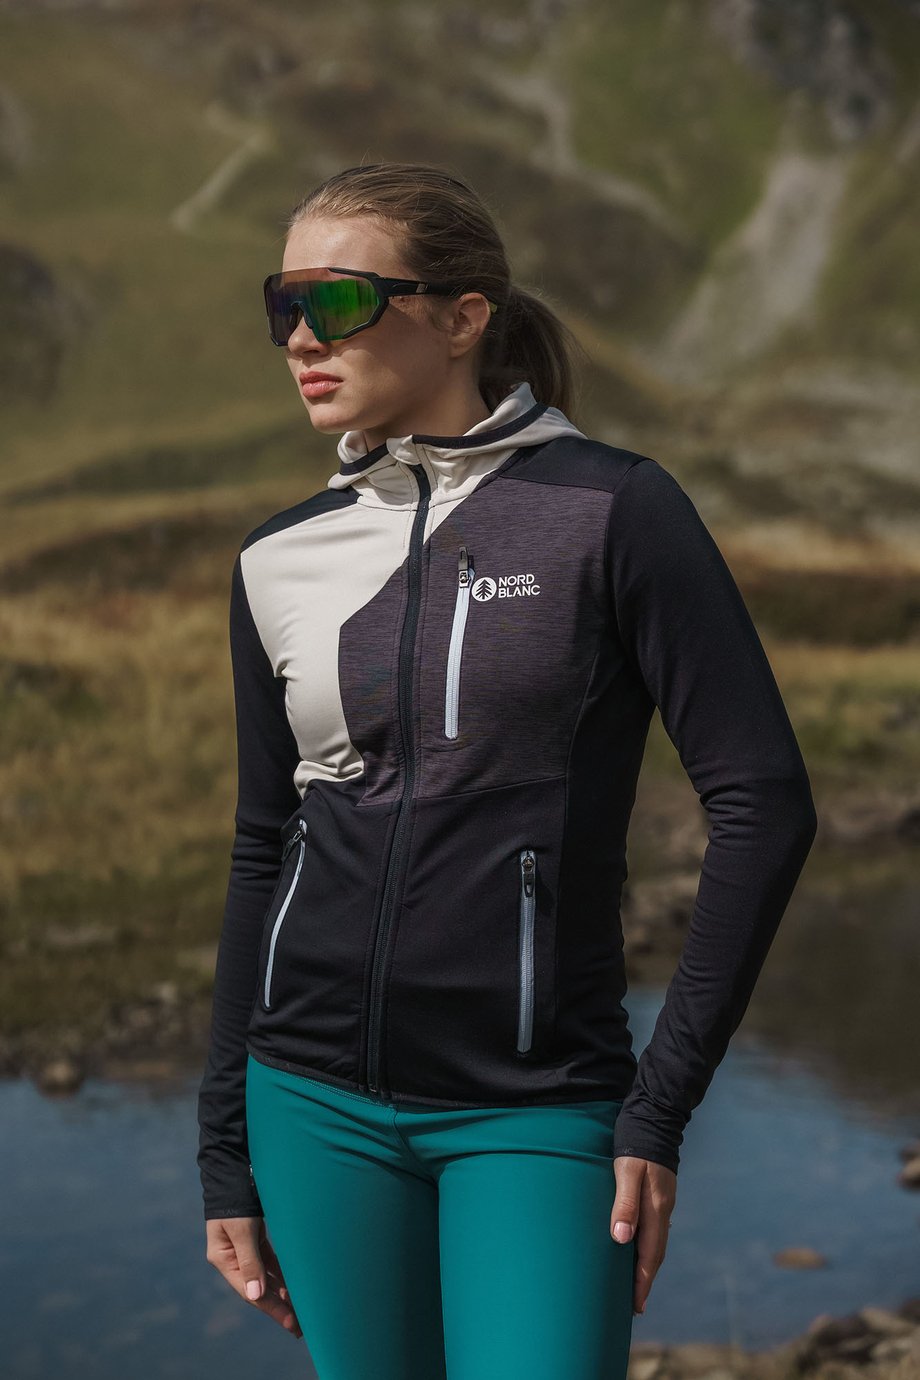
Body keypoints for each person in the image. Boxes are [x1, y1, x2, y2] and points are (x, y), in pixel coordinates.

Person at [196, 160, 818, 1380]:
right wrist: (225, 1150)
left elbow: (763, 804)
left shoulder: (611, 510)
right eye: (283, 304)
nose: (300, 338)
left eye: (337, 302)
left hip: (534, 1108)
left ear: (461, 316)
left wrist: (658, 1107)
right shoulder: (277, 558)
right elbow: (262, 843)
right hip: (307, 1102)